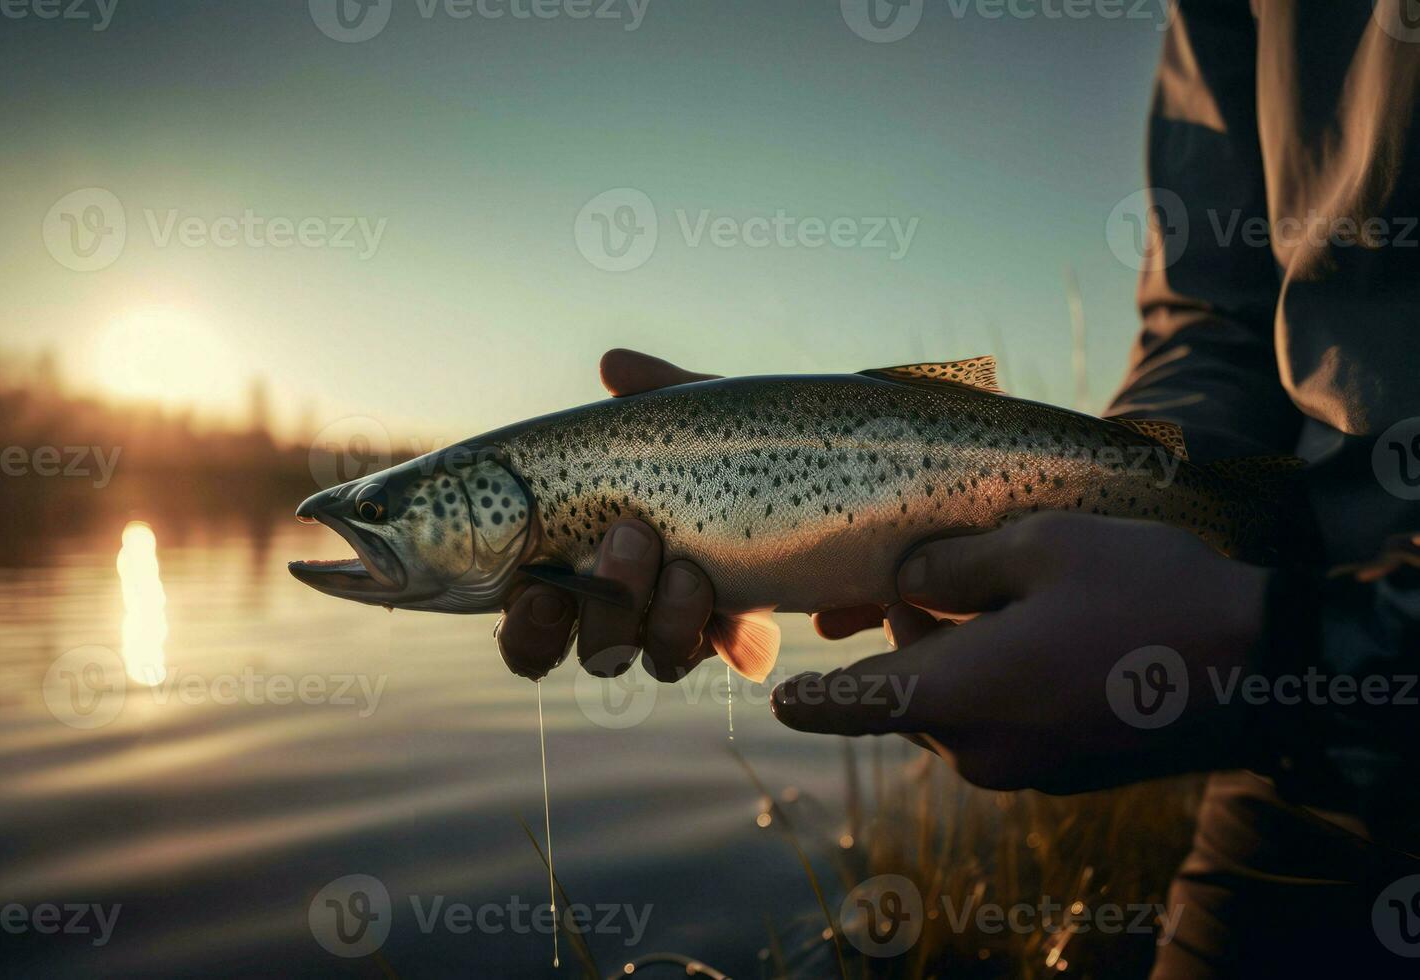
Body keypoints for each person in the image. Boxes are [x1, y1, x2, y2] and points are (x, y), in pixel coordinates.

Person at [499, 3, 1420, 974]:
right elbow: (1212, 324)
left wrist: (1280, 646)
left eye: (389, 505)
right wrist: (1118, 530)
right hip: (1294, 767)